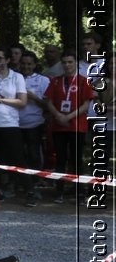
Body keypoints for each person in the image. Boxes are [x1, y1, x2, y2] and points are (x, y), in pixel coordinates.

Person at [0, 47, 31, 203]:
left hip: (10, 123)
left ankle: (28, 191)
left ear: (8, 60)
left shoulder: (17, 77)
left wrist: (1, 100)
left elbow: (22, 102)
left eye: (0, 58)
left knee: (18, 158)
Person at [44, 52, 95, 203]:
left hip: (77, 125)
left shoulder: (83, 81)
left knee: (76, 159)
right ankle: (59, 191)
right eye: (64, 62)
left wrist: (69, 116)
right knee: (60, 159)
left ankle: (79, 192)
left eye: (70, 62)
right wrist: (59, 116)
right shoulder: (55, 81)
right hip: (59, 126)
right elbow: (48, 101)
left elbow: (86, 104)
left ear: (76, 64)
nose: (67, 65)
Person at [17, 50, 51, 195]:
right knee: (18, 155)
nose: (26, 67)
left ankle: (35, 183)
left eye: (29, 64)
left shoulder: (44, 80)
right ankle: (19, 183)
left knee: (34, 155)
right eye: (23, 64)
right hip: (15, 123)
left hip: (35, 124)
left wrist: (33, 97)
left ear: (35, 65)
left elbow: (48, 104)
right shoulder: (14, 78)